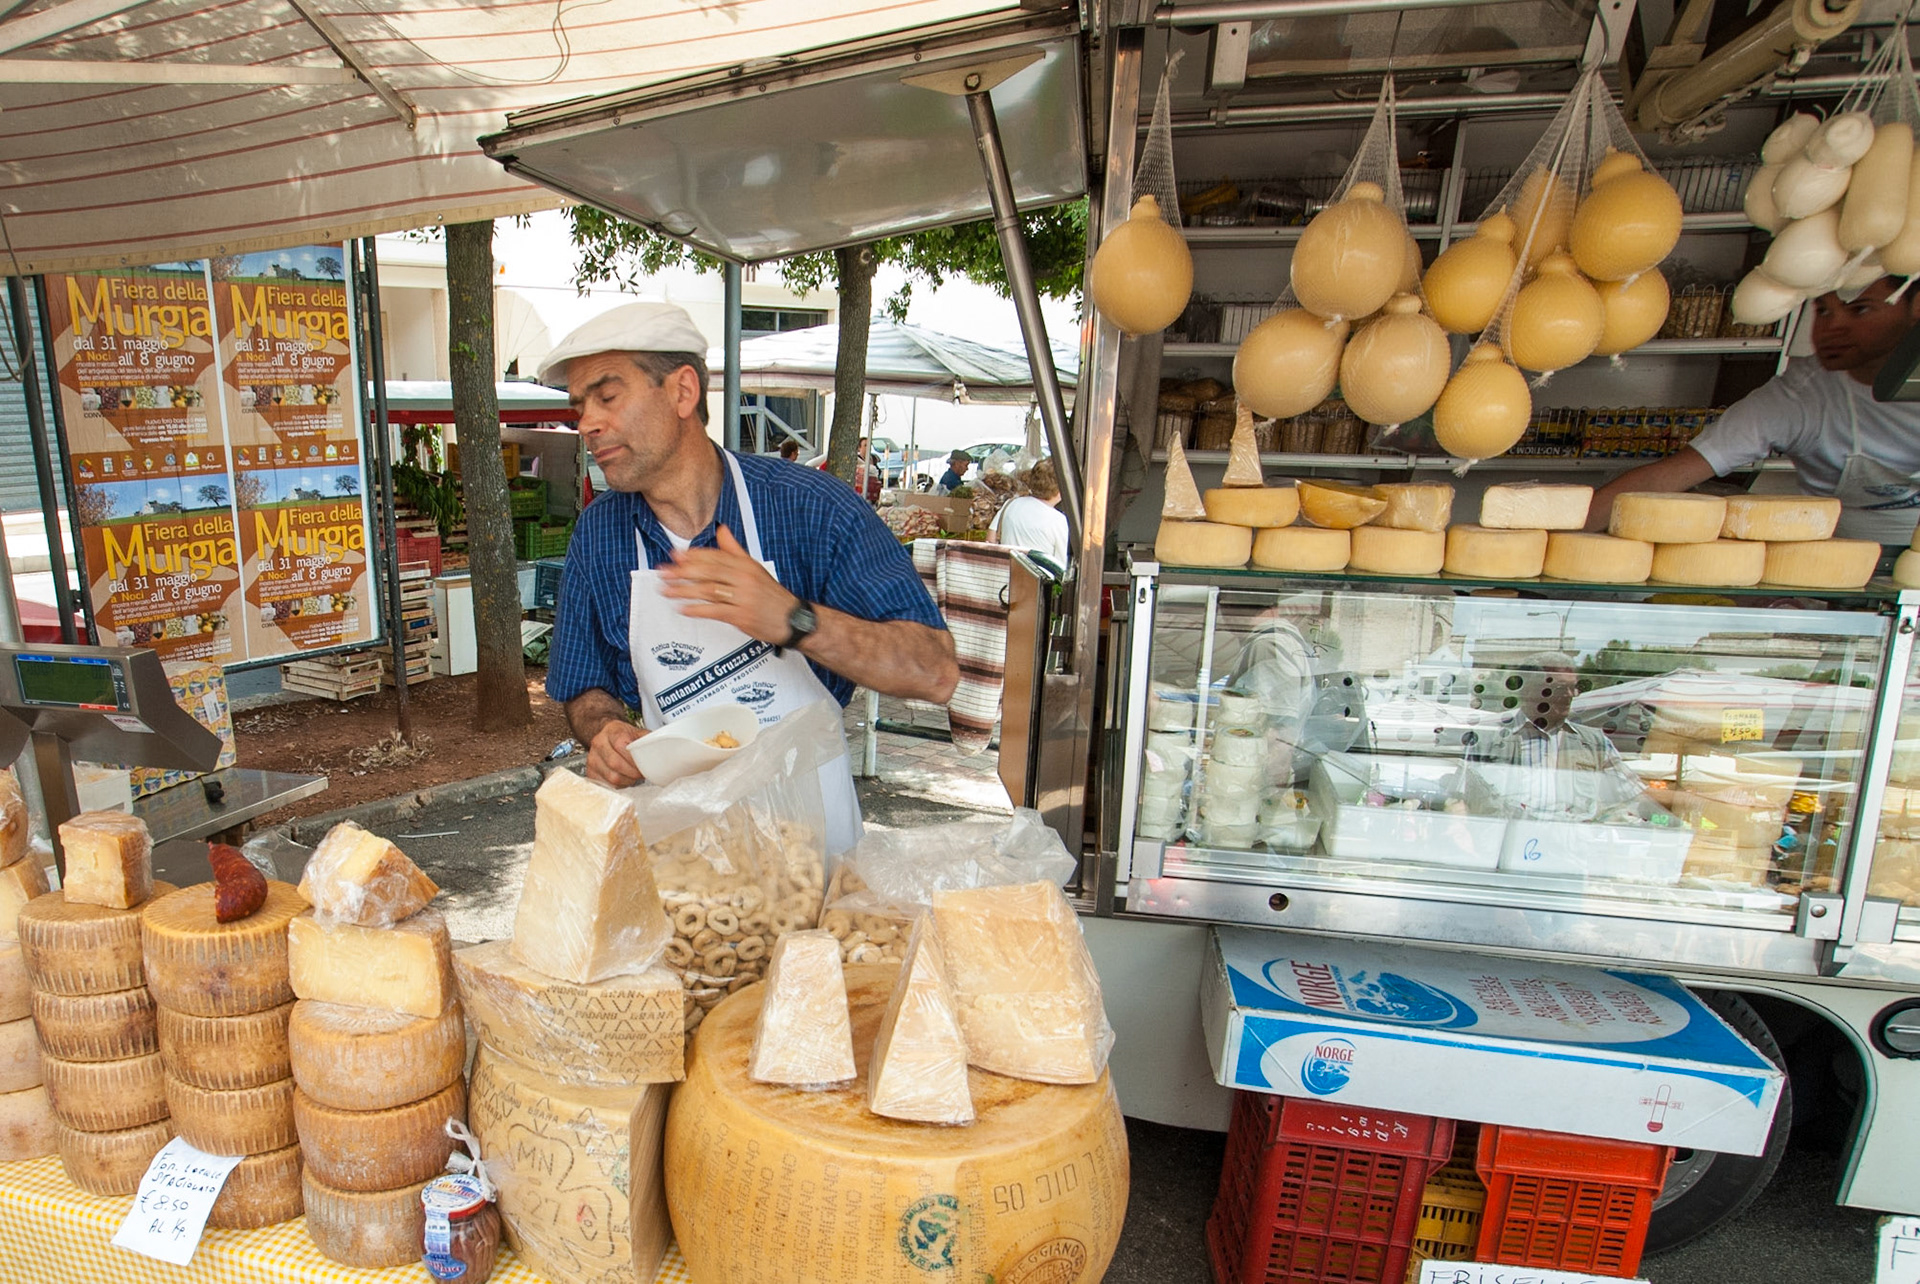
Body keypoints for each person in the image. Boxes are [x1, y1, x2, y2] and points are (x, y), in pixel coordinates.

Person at [539, 302, 959, 854]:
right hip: (693, 860)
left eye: (607, 397)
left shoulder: (811, 508)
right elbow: (583, 686)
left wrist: (794, 619)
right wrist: (607, 733)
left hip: (818, 849)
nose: (587, 424)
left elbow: (934, 670)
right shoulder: (599, 536)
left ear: (683, 392)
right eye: (579, 408)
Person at [1586, 278, 1920, 545]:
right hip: (1844, 577)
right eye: (1823, 311)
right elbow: (1666, 477)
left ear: (1915, 310)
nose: (1833, 328)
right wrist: (1554, 534)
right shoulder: (1801, 398)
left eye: (1860, 311)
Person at [988, 458, 1071, 569]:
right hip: (1038, 584)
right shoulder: (1058, 521)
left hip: (1006, 580)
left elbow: (990, 540)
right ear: (1061, 488)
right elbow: (1062, 566)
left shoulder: (1010, 504)